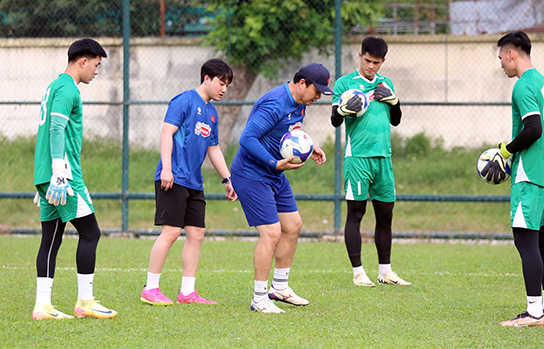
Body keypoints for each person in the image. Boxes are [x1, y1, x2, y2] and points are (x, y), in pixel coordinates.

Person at [230, 63, 331, 313]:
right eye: (316, 91)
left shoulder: (300, 104)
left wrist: (309, 146)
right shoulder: (275, 103)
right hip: (252, 174)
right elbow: (247, 138)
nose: (318, 96)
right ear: (301, 83)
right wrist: (274, 163)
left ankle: (280, 288)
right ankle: (259, 298)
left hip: (275, 173)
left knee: (293, 225)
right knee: (272, 233)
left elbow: (290, 131)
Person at [32, 38, 117, 320]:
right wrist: (58, 173)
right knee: (91, 233)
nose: (96, 71)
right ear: (83, 60)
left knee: (51, 239)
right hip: (64, 177)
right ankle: (85, 303)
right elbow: (56, 129)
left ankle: (43, 306)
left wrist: (45, 177)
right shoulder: (69, 89)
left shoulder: (54, 86)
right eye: (96, 65)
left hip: (47, 176)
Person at [140, 58, 237, 306]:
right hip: (174, 177)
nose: (224, 88)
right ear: (207, 78)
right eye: (221, 82)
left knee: (197, 233)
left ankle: (187, 292)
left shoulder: (212, 113)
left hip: (195, 182)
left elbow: (214, 149)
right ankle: (150, 288)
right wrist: (167, 169)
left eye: (227, 85)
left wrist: (227, 178)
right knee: (171, 232)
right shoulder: (183, 100)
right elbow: (166, 133)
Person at [480, 31, 544, 327]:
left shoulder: (523, 85)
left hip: (531, 175)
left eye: (501, 56)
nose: (500, 63)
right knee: (543, 242)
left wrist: (505, 150)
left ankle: (534, 313)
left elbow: (533, 129)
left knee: (525, 242)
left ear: (511, 53)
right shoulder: (543, 82)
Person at [330, 36, 410, 287]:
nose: (371, 66)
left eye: (376, 62)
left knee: (386, 214)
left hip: (383, 157)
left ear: (383, 60)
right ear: (360, 55)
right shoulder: (345, 84)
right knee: (356, 212)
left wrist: (394, 101)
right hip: (358, 159)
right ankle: (358, 273)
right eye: (368, 60)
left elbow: (395, 120)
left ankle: (385, 272)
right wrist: (342, 110)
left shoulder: (386, 83)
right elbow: (335, 120)